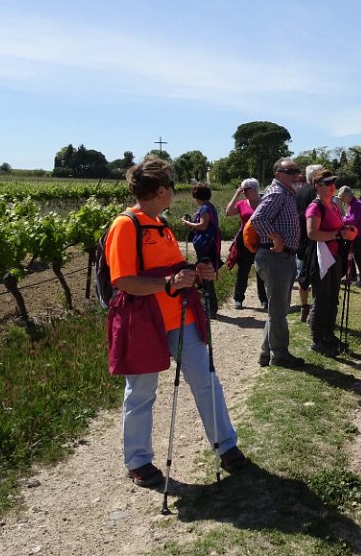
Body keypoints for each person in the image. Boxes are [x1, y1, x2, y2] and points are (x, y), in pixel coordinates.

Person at [106, 157, 247, 486]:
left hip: (180, 317)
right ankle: (138, 461)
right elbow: (123, 280)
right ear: (159, 191)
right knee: (141, 392)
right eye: (170, 186)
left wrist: (196, 272)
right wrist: (169, 283)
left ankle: (226, 446)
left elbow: (173, 270)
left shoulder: (161, 224)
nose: (174, 191)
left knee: (206, 380)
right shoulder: (126, 225)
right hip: (145, 322)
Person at [249, 158, 305, 368]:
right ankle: (280, 355)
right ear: (277, 174)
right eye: (290, 171)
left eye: (296, 170)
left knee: (276, 309)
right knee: (279, 311)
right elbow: (257, 219)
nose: (295, 174)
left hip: (282, 257)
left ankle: (266, 353)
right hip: (275, 257)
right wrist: (276, 238)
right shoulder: (277, 193)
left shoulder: (286, 193)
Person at [306, 170, 358, 356]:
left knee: (333, 298)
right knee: (322, 299)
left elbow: (338, 227)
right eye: (327, 183)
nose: (332, 186)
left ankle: (328, 335)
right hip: (321, 258)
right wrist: (339, 234)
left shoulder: (334, 205)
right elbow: (312, 233)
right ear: (317, 186)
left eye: (333, 182)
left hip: (334, 257)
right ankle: (317, 340)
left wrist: (346, 231)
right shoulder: (315, 206)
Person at [225, 178, 268, 310]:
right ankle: (238, 299)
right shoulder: (242, 204)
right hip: (245, 242)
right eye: (242, 190)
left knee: (261, 271)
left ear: (254, 189)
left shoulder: (265, 203)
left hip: (262, 241)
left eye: (245, 190)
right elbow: (228, 212)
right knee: (243, 270)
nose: (243, 192)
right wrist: (236, 194)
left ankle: (264, 299)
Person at [181, 184, 221, 319]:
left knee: (205, 276)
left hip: (205, 246)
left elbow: (203, 226)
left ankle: (211, 309)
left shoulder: (204, 208)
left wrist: (188, 224)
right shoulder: (209, 206)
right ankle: (210, 307)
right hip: (209, 245)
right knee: (205, 276)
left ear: (197, 196)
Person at [294, 164, 324, 322]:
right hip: (317, 239)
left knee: (302, 276)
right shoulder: (319, 193)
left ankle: (304, 307)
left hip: (301, 240)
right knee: (317, 276)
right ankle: (315, 310)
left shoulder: (298, 192)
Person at [338, 185, 361, 287]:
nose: (343, 201)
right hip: (353, 235)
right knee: (350, 256)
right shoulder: (353, 204)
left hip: (357, 236)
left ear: (347, 195)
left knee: (358, 258)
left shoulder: (357, 205)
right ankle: (352, 276)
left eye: (343, 198)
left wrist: (342, 219)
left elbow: (353, 220)